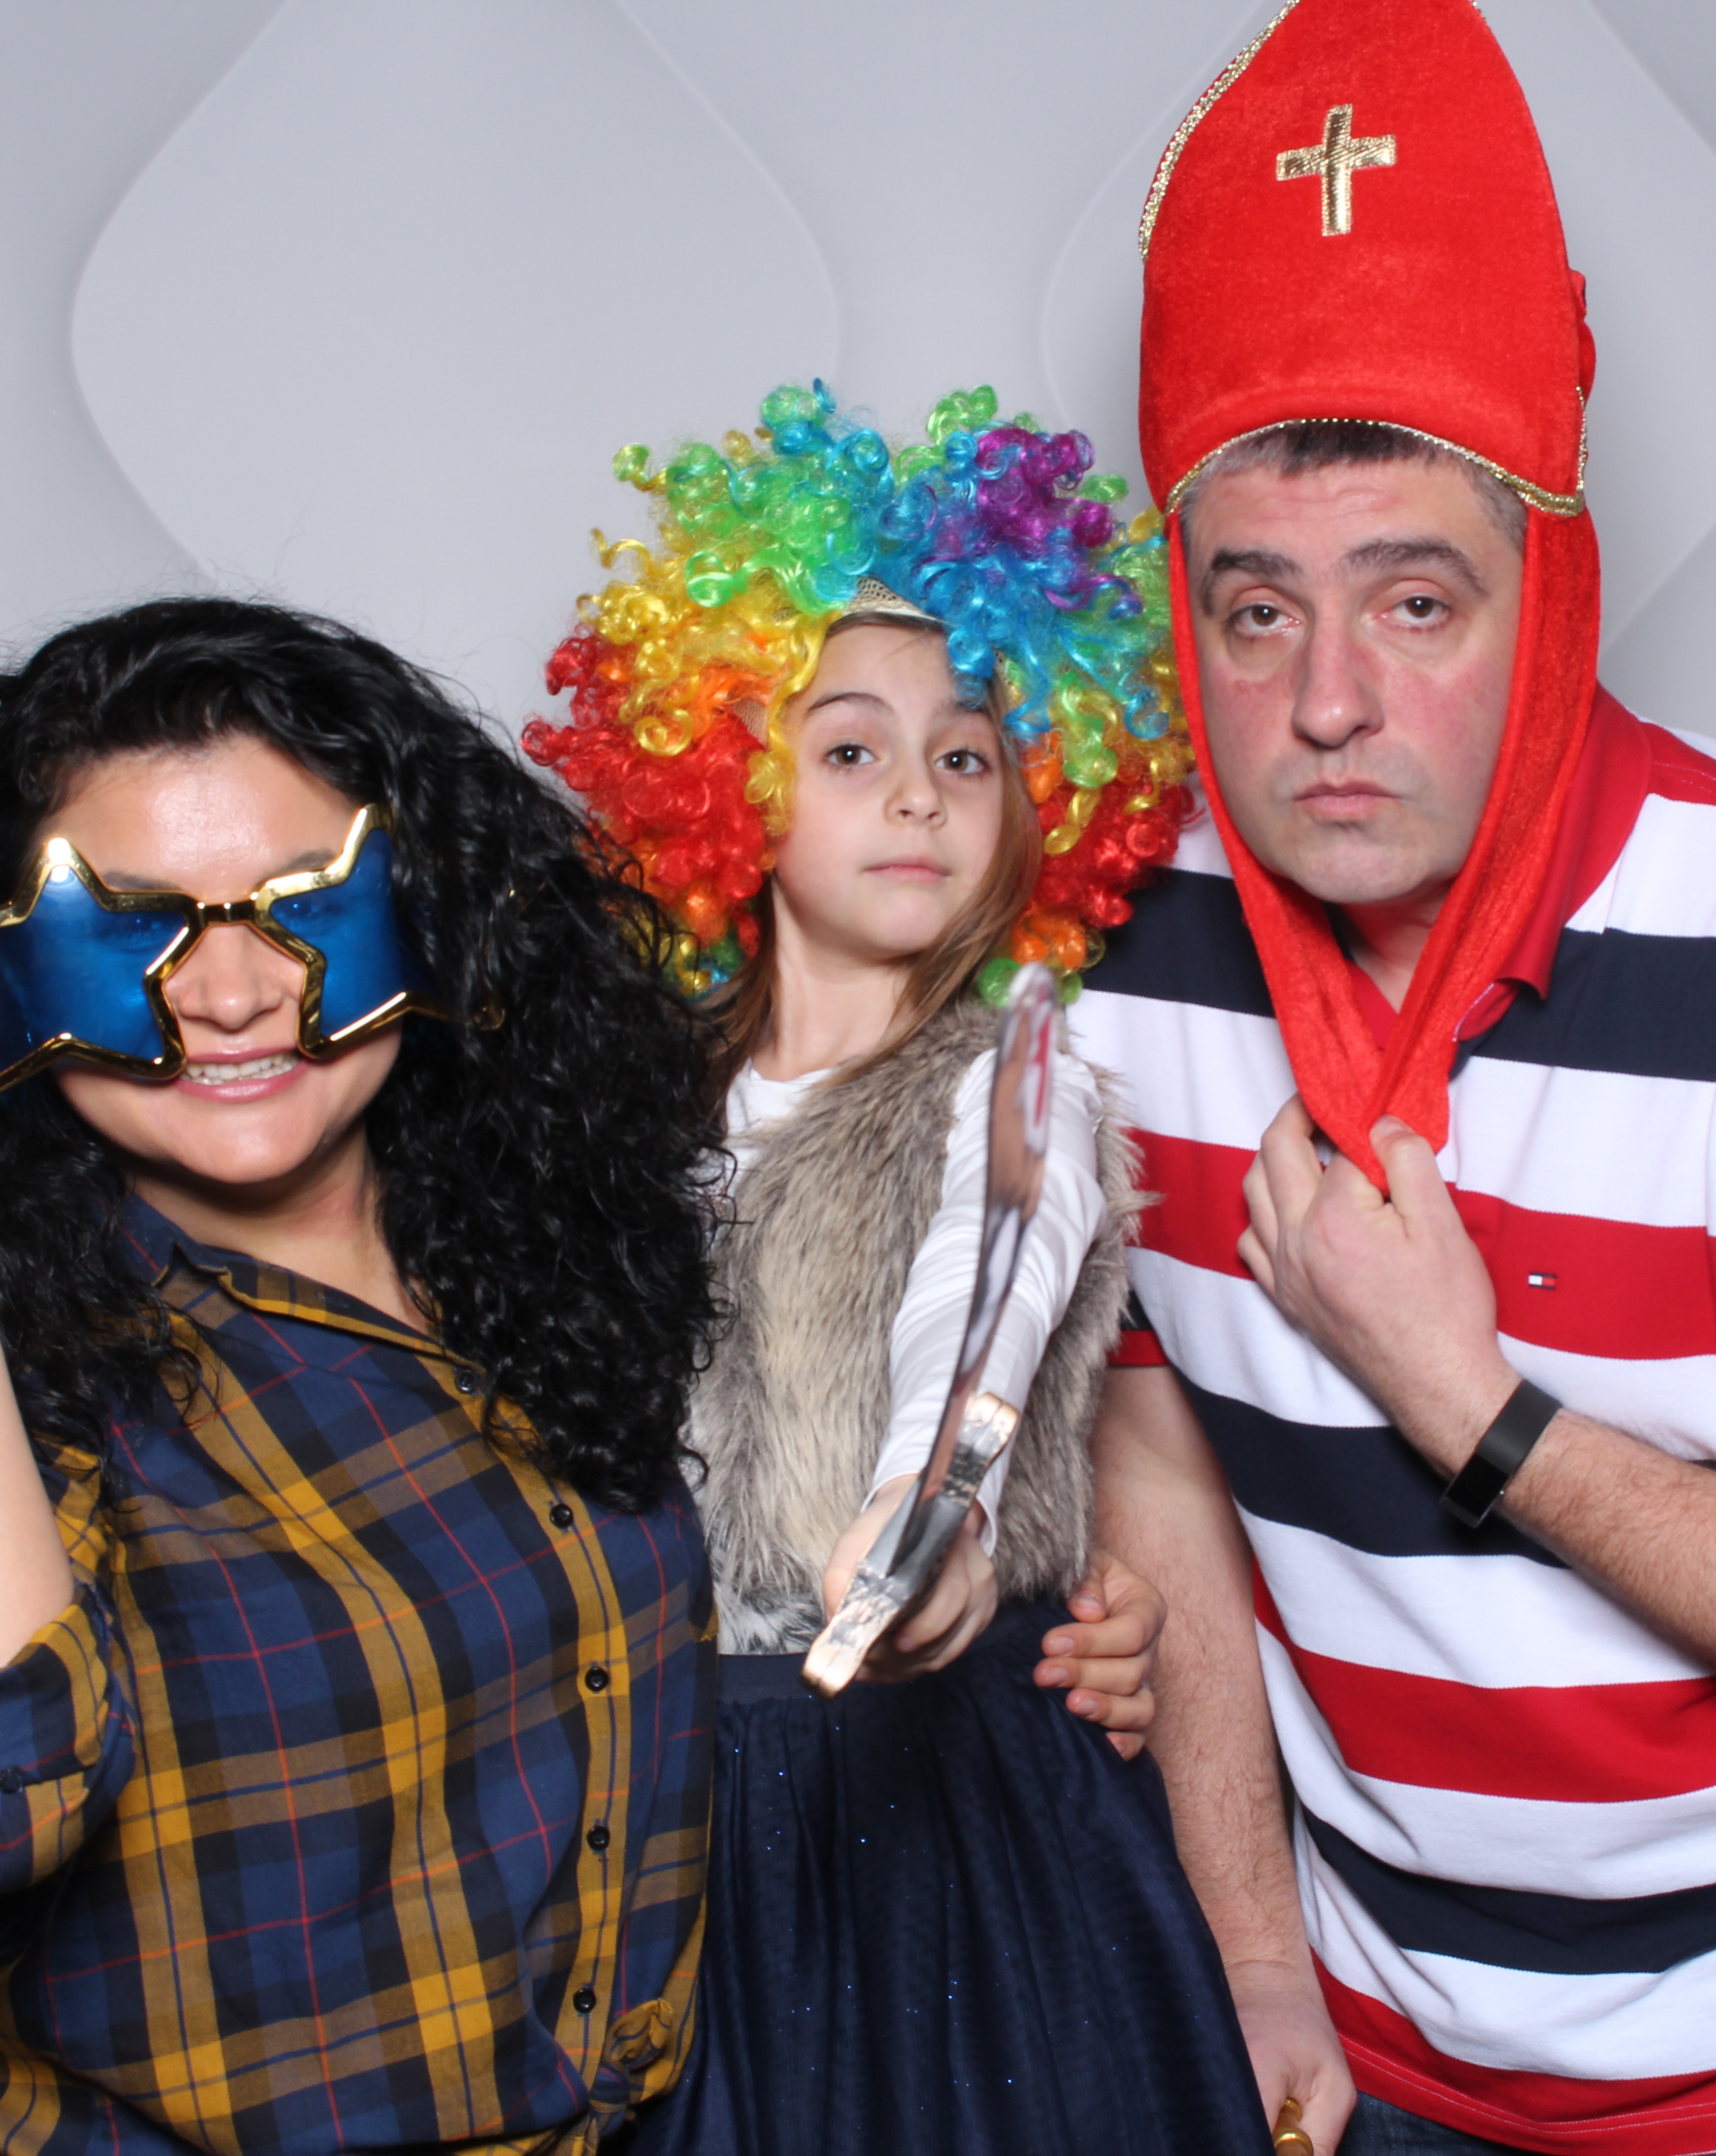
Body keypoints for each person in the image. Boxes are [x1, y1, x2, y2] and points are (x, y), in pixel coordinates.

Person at [1074, 6, 1716, 2154]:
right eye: (1255, 613)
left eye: (1414, 601)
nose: (1327, 702)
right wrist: (1254, 1954)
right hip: (1391, 2055)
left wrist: (1474, 1406)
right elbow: (1159, 1464)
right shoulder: (1117, 953)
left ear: (1548, 591)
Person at [0, 598, 726, 2155]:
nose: (230, 995)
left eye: (306, 906)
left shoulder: (536, 1239)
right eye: (129, 930)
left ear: (432, 909)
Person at [522, 383, 1261, 2155]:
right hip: (657, 1807)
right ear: (728, 780)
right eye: (850, 751)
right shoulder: (615, 1103)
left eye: (969, 755)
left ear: (1039, 802)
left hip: (944, 1812)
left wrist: (932, 1513)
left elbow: (984, 1283)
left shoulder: (1024, 1079)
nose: (919, 794)